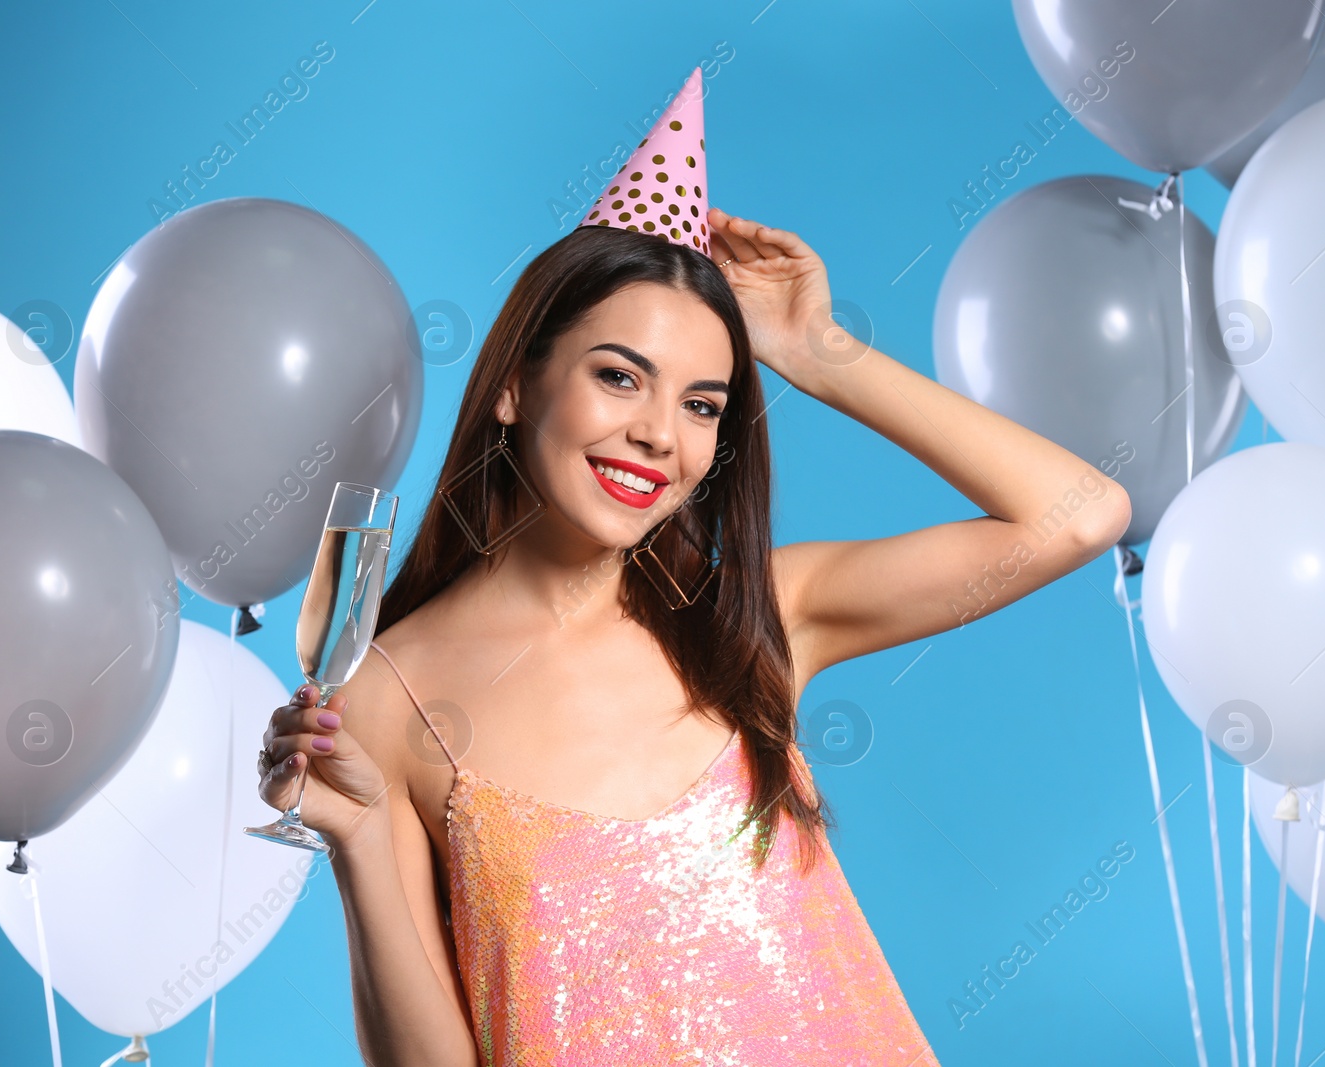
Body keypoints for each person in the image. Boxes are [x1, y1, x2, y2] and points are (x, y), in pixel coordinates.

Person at [257, 71, 1130, 1067]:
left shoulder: (756, 621)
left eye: (702, 404)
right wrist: (359, 839)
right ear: (512, 385)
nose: (656, 436)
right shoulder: (387, 692)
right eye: (619, 376)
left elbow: (1080, 514)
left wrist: (820, 348)